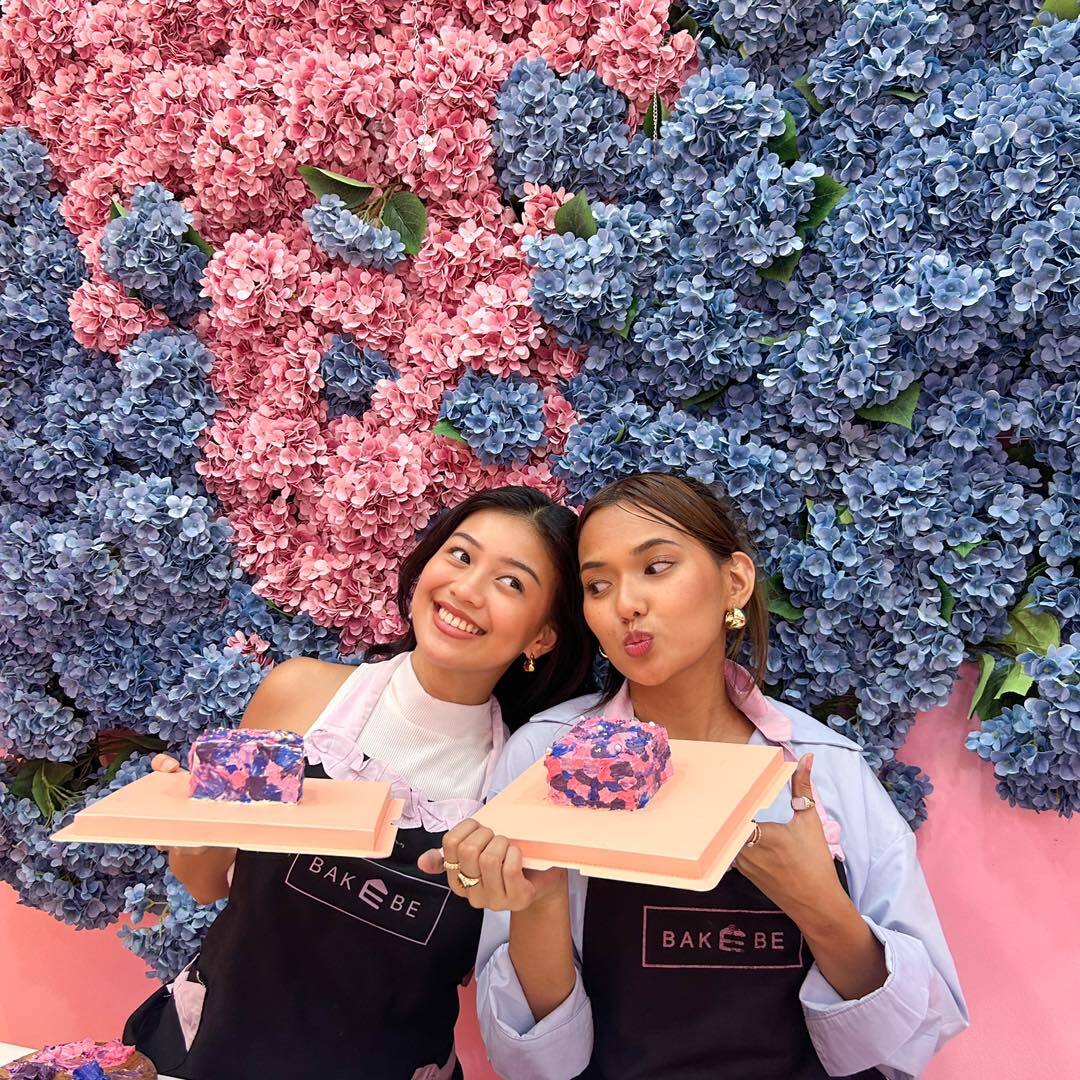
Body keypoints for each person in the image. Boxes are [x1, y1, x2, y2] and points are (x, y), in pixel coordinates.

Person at [428, 473, 969, 1079]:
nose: (625, 604)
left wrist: (820, 906)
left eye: (656, 567)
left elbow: (915, 1035)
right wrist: (539, 902)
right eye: (597, 585)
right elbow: (538, 1065)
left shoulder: (825, 766)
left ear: (734, 581)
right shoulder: (546, 759)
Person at [124, 486, 595, 1080]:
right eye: (460, 556)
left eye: (512, 583)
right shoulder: (299, 697)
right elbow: (209, 883)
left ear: (542, 637)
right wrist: (187, 833)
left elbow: (521, 988)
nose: (467, 590)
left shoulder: (521, 783)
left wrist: (536, 898)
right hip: (207, 1050)